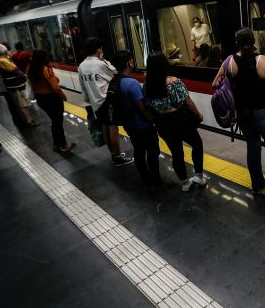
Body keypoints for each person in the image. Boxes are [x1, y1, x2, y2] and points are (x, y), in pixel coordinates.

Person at [212, 27, 265, 199]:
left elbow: (214, 84)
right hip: (263, 110)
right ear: (254, 41)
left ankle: (257, 185)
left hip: (242, 113)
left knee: (253, 146)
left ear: (237, 43)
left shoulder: (228, 62)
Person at [145, 51, 208, 192]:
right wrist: (198, 114)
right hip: (178, 119)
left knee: (176, 152)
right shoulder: (173, 81)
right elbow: (188, 102)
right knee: (197, 144)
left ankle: (185, 183)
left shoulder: (147, 84)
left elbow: (148, 105)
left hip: (162, 122)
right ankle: (198, 176)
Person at [111, 51, 165, 190]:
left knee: (139, 151)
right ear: (128, 62)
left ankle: (147, 180)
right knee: (152, 152)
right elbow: (143, 108)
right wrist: (152, 121)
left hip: (130, 125)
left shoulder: (117, 80)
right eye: (131, 60)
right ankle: (156, 181)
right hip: (141, 126)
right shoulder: (132, 83)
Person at [78, 37, 134, 167]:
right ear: (99, 50)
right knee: (113, 129)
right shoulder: (100, 64)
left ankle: (114, 154)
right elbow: (116, 73)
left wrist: (88, 102)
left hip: (95, 103)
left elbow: (83, 86)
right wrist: (104, 60)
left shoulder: (82, 66)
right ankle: (118, 157)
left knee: (105, 127)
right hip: (106, 101)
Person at [27, 49, 76, 153]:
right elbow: (55, 87)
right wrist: (63, 97)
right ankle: (63, 145)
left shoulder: (30, 69)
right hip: (52, 98)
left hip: (40, 98)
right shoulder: (46, 69)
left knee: (55, 121)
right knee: (58, 122)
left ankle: (56, 144)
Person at [0, 44, 38, 127]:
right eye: (7, 50)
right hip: (16, 86)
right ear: (4, 51)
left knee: (19, 103)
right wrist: (25, 76)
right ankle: (28, 121)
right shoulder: (3, 61)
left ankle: (25, 119)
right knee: (22, 104)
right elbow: (16, 71)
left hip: (11, 86)